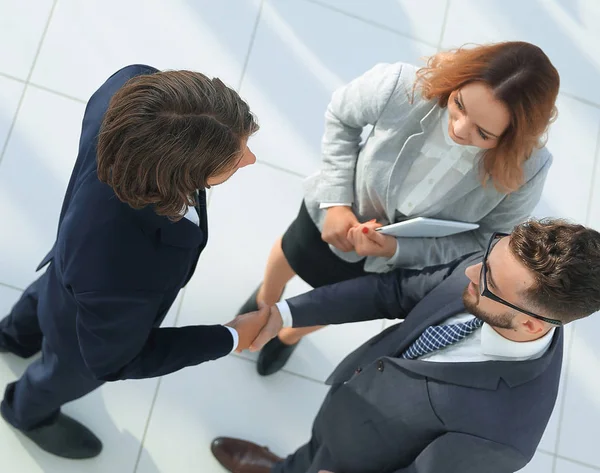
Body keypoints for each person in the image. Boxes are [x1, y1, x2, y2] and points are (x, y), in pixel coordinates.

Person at [237, 41, 561, 376]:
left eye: (483, 132)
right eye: (458, 104)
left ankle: (289, 336)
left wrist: (398, 249)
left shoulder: (529, 169)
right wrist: (336, 202)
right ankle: (264, 301)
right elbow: (341, 117)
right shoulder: (403, 85)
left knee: (340, 304)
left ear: (513, 138)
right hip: (339, 208)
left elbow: (488, 242)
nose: (460, 129)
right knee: (292, 251)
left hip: (402, 259)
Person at [0, 64, 270, 459]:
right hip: (88, 327)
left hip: (67, 269)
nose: (250, 159)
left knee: (48, 294)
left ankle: (12, 336)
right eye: (233, 160)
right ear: (176, 174)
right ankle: (23, 411)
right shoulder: (124, 266)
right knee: (64, 373)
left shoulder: (133, 86)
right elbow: (114, 360)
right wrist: (230, 337)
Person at [213, 218, 600, 473]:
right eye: (485, 259)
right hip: (345, 414)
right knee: (312, 454)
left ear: (530, 322)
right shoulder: (492, 272)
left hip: (360, 463)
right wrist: (287, 313)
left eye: (488, 282)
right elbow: (393, 291)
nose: (469, 271)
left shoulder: (505, 435)